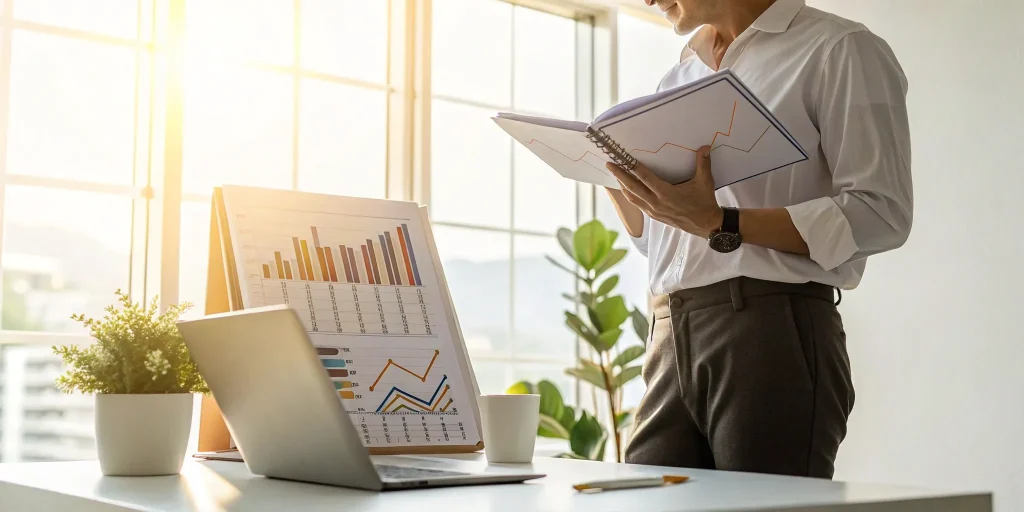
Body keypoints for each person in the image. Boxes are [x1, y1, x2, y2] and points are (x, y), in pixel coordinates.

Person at [607, 0, 912, 478]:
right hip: (668, 334)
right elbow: (669, 241)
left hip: (769, 331)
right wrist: (627, 191)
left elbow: (881, 212)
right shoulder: (680, 76)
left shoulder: (838, 50)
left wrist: (722, 222)